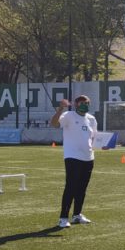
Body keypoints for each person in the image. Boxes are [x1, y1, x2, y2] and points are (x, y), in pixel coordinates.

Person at [49, 95, 98, 229]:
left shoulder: (91, 119)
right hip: (72, 157)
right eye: (82, 102)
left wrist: (103, 145)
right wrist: (60, 109)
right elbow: (54, 124)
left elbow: (94, 138)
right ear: (76, 104)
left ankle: (77, 214)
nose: (85, 105)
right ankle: (63, 218)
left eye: (87, 102)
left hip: (88, 157)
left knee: (82, 188)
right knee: (70, 187)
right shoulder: (68, 115)